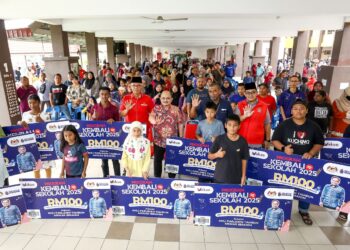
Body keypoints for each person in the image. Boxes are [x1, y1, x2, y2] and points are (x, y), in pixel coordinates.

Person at [272, 99, 324, 225]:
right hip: (286, 162)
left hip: (306, 163)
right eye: (295, 108)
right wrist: (284, 148)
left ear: (306, 111)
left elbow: (319, 143)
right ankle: (282, 209)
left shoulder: (313, 126)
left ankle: (303, 211)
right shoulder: (284, 124)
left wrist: (311, 153)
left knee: (305, 187)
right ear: (291, 111)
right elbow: (275, 140)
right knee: (283, 185)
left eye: (301, 108)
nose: (298, 111)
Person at [149, 91, 183, 178]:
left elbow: (180, 124)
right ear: (160, 99)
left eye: (168, 98)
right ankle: (157, 178)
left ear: (171, 99)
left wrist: (181, 137)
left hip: (173, 141)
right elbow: (151, 117)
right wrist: (154, 121)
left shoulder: (176, 109)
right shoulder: (156, 108)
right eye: (163, 98)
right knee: (157, 160)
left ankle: (171, 179)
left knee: (172, 160)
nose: (165, 100)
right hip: (158, 140)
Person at [18, 94, 53, 178]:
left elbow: (50, 130)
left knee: (47, 167)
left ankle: (48, 182)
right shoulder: (25, 115)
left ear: (39, 102)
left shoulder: (46, 114)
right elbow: (21, 127)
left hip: (44, 145)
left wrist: (41, 121)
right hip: (32, 145)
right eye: (30, 103)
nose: (32, 105)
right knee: (36, 168)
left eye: (34, 103)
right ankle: (38, 185)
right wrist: (19, 123)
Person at [208, 114, 249, 184]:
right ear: (225, 125)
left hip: (236, 179)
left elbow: (244, 160)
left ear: (239, 126)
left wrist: (243, 176)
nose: (232, 128)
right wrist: (216, 155)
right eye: (229, 125)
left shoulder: (243, 141)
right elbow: (209, 156)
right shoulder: (219, 139)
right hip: (220, 178)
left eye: (235, 125)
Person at [91, 87, 120, 177]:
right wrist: (93, 118)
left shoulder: (114, 108)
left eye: (106, 94)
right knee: (104, 160)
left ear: (109, 95)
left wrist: (113, 121)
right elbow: (90, 125)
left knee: (115, 159)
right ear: (99, 95)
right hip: (101, 139)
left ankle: (118, 178)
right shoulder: (94, 107)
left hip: (112, 138)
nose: (104, 96)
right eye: (102, 94)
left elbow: (118, 124)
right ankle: (106, 179)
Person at [236, 84, 271, 149]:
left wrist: (267, 140)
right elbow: (235, 121)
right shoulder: (240, 105)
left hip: (257, 142)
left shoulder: (264, 106)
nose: (250, 95)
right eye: (248, 93)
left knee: (256, 159)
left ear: (257, 93)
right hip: (240, 140)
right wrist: (244, 116)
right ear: (245, 94)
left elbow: (267, 124)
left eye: (253, 92)